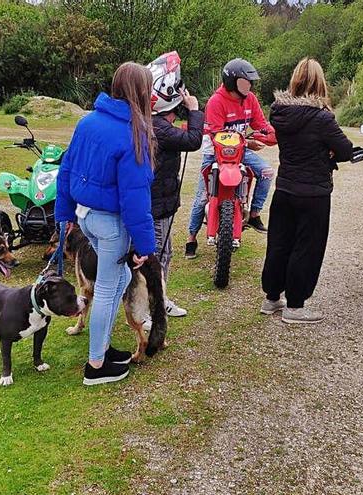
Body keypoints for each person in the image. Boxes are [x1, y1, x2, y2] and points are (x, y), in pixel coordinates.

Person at [55, 62, 157, 385]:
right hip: (110, 224)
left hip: (86, 217)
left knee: (121, 275)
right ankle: (96, 365)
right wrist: (145, 246)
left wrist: (65, 214)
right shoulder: (134, 134)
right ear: (141, 92)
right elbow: (135, 197)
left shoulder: (87, 123)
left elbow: (66, 170)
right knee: (109, 286)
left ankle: (102, 347)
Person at [260, 58, 353, 324]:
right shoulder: (322, 117)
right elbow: (345, 150)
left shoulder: (279, 112)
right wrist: (329, 150)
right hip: (313, 193)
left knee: (279, 243)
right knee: (306, 248)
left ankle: (272, 297)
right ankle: (296, 306)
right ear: (319, 82)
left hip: (285, 188)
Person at [184, 58, 277, 259]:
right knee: (202, 198)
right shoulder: (216, 102)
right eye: (245, 81)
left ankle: (253, 214)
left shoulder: (250, 99)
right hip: (215, 153)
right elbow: (216, 133)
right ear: (232, 81)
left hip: (240, 151)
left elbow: (261, 123)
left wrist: (272, 133)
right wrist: (250, 143)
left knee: (267, 172)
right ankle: (191, 238)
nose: (249, 86)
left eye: (250, 82)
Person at [147, 51, 204, 318]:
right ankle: (149, 308)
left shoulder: (157, 122)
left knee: (164, 253)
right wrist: (193, 109)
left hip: (164, 201)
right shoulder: (158, 127)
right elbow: (193, 140)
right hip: (156, 204)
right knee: (155, 256)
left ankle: (161, 298)